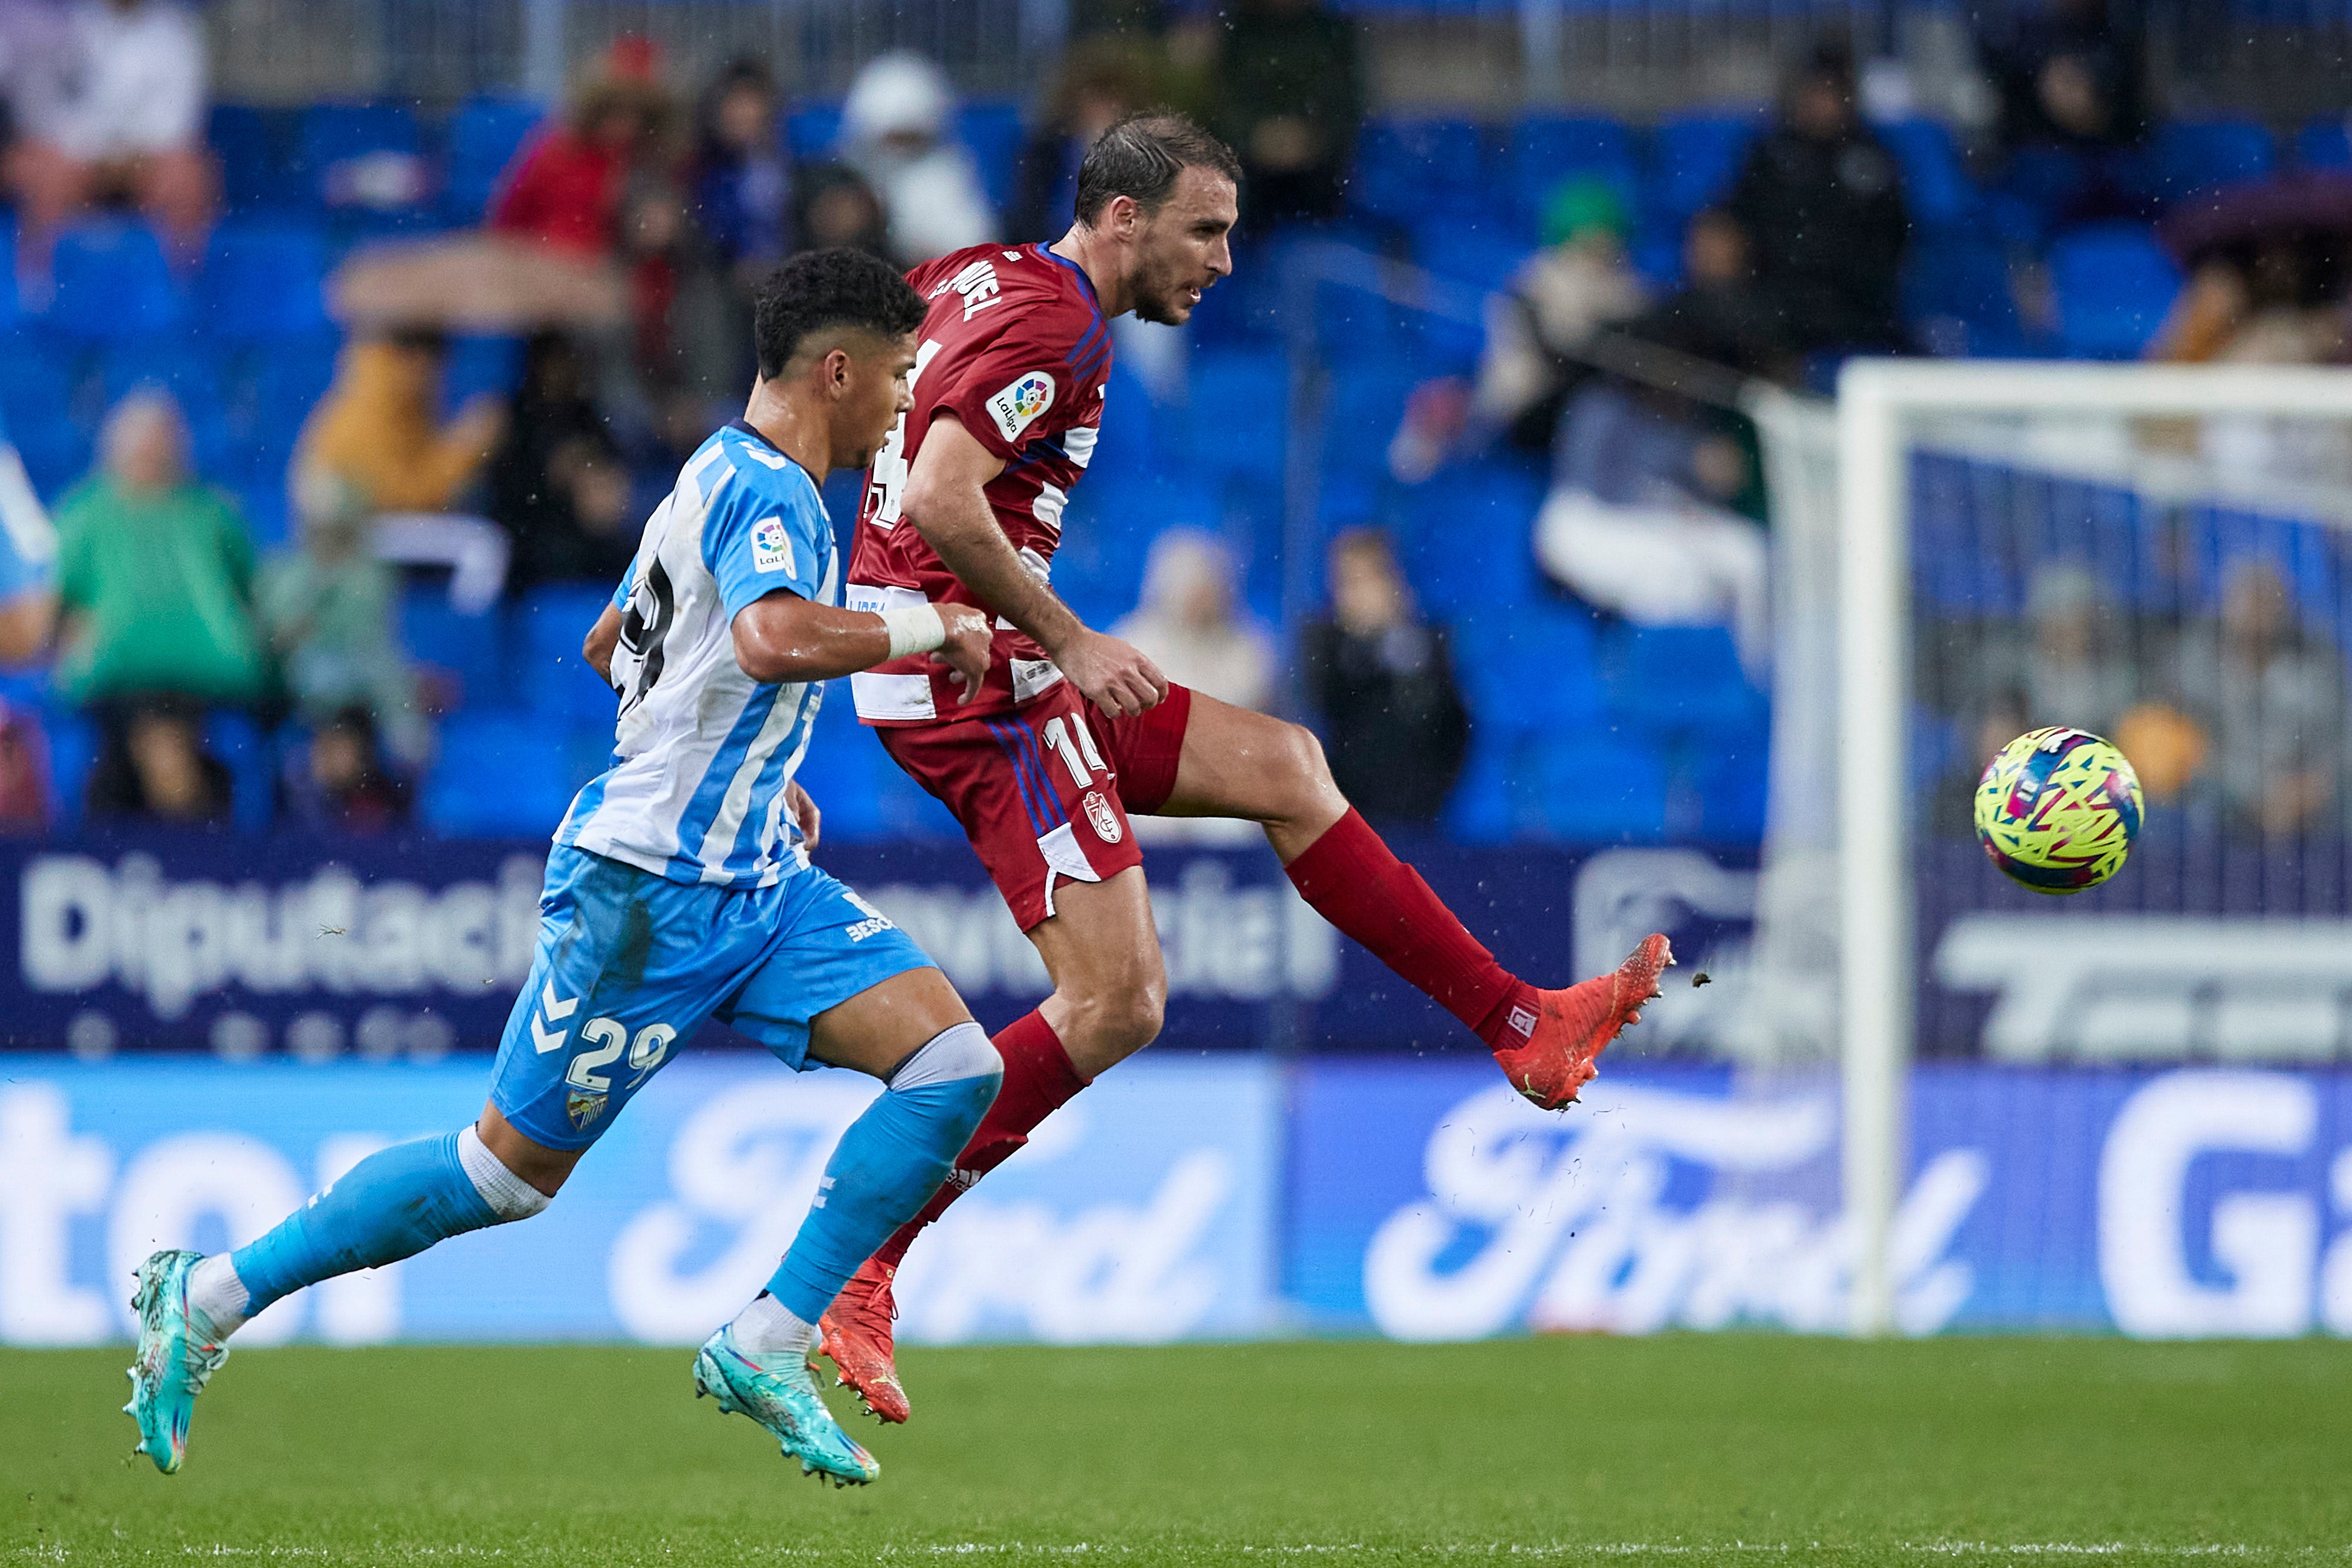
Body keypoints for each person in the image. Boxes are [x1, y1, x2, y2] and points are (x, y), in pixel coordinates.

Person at [829, 111, 1671, 1423]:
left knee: (1285, 766)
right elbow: (940, 493)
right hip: (981, 679)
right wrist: (1064, 635)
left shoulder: (966, 272)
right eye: (1205, 229)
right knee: (1116, 1004)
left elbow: (864, 420)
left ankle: (1525, 1025)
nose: (1223, 260)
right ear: (1122, 218)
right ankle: (863, 1259)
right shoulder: (1056, 321)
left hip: (945, 653)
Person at [123, 248, 1005, 1489]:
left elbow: (615, 646)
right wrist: (929, 622)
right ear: (838, 370)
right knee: (501, 1173)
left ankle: (766, 1339)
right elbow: (763, 634)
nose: (906, 405)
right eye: (900, 377)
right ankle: (207, 1294)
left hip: (749, 871)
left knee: (953, 1063)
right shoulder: (772, 494)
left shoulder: (715, 468)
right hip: (647, 895)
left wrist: (752, 760)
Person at [1532, 378, 1772, 676]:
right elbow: (1596, 485)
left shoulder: (1695, 417)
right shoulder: (1599, 404)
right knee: (1693, 584)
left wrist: (1698, 479)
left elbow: (1709, 477)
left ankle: (1762, 671)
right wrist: (1676, 496)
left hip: (1655, 523)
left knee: (1748, 552)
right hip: (1584, 528)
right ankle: (1748, 676)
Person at [52, 390, 265, 712]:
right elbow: (56, 597)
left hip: (210, 674)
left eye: (160, 442)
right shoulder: (85, 516)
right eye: (141, 447)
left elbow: (249, 589)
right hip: (112, 679)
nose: (150, 453)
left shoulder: (214, 513)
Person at [293, 330, 511, 612]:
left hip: (370, 523)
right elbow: (408, 496)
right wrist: (469, 447)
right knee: (483, 546)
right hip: (349, 531)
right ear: (416, 357)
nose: (441, 374)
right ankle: (465, 635)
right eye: (436, 362)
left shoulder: (397, 391)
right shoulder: (375, 399)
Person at [1720, 44, 1910, 361]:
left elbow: (1892, 242)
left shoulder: (1871, 160)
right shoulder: (1770, 155)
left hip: (1851, 307)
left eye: (1828, 94)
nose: (1818, 104)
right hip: (1775, 300)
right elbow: (1737, 222)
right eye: (1811, 93)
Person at [2, 0, 215, 275]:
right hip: (74, 157)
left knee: (186, 176)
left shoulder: (176, 29)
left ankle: (180, 290)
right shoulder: (63, 24)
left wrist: (125, 157)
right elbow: (45, 108)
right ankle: (36, 290)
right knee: (42, 171)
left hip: (146, 160)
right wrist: (91, 153)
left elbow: (178, 120)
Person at [258, 470, 430, 768]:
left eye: (335, 530)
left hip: (358, 669)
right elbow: (278, 634)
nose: (327, 538)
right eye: (319, 529)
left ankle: (405, 753)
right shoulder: (283, 571)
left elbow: (369, 632)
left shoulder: (371, 575)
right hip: (302, 671)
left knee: (384, 668)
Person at [1299, 529, 1470, 827]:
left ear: (1393, 583)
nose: (1360, 595)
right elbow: (1320, 709)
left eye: (1369, 579)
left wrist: (1399, 649)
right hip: (1343, 814)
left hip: (1421, 814)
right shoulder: (1322, 645)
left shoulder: (1430, 643)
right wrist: (1363, 646)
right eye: (1349, 582)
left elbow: (1450, 727)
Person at [485, 332, 638, 593]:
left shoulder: (585, 413)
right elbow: (507, 486)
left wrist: (591, 475)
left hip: (588, 536)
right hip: (533, 532)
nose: (561, 372)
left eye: (568, 363)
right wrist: (553, 477)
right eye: (554, 364)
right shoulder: (517, 417)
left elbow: (611, 467)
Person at [1208, 0, 1362, 227]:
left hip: (1322, 176)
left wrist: (1310, 139)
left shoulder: (1334, 34)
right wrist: (1257, 139)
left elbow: (1347, 107)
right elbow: (1222, 103)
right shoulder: (1239, 32)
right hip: (1254, 179)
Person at [837, 52, 995, 266]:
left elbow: (975, 250)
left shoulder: (946, 177)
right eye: (892, 140)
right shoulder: (847, 180)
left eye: (910, 140)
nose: (898, 152)